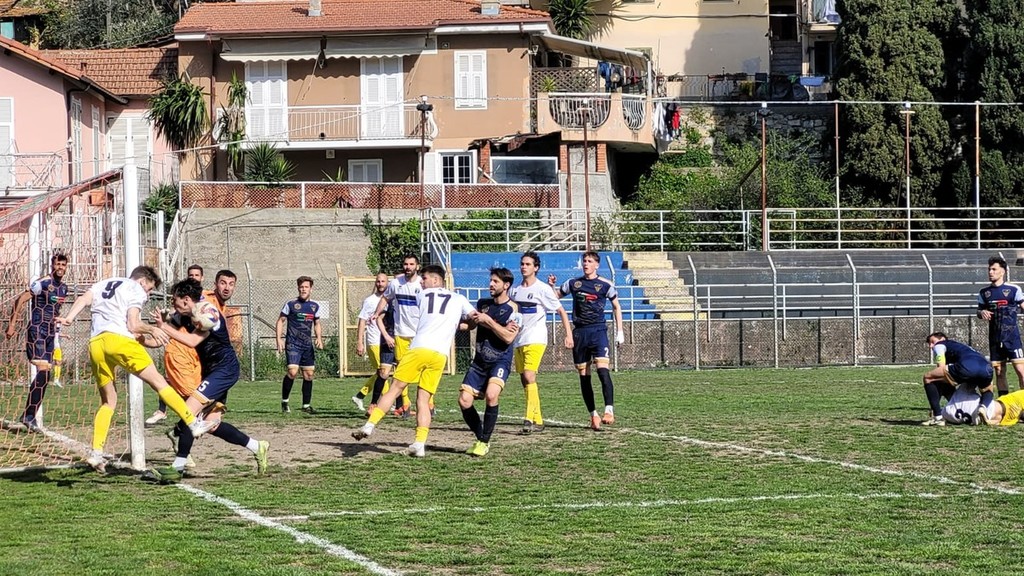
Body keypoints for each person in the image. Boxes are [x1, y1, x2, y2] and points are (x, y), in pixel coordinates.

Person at [56, 265, 216, 473]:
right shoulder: (135, 288)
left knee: (108, 402)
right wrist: (152, 329)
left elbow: (83, 299)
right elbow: (133, 325)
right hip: (120, 341)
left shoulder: (104, 283)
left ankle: (96, 452)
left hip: (96, 344)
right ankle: (192, 423)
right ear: (142, 281)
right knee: (159, 382)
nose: (147, 294)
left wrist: (69, 318)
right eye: (149, 289)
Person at [148, 279, 269, 480]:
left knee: (188, 411)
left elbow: (191, 340)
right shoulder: (183, 315)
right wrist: (142, 338)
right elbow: (161, 338)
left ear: (186, 300)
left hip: (224, 370)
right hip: (211, 372)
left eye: (175, 300)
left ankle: (177, 468)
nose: (173, 304)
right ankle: (257, 446)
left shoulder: (207, 312)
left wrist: (163, 326)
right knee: (211, 424)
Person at [352, 264, 476, 457]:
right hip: (439, 355)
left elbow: (398, 300)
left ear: (435, 280)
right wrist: (461, 324)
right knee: (423, 400)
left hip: (419, 348)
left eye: (424, 279)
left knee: (395, 388)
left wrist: (382, 308)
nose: (421, 282)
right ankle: (419, 444)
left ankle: (369, 425)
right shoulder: (459, 298)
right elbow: (473, 318)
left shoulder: (422, 295)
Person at [549, 251, 624, 431]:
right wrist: (551, 286)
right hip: (580, 333)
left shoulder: (606, 285)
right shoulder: (573, 283)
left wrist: (620, 331)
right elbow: (554, 297)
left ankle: (609, 410)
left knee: (603, 371)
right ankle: (593, 415)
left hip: (598, 331)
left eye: (589, 261)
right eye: (584, 261)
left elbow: (616, 306)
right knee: (584, 376)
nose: (586, 264)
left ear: (597, 265)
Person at [508, 251, 573, 435]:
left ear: (536, 268)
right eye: (522, 263)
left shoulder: (542, 289)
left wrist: (568, 334)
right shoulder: (514, 290)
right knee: (524, 379)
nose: (524, 267)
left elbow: (561, 311)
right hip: (519, 339)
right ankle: (538, 420)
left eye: (528, 264)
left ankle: (528, 419)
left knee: (529, 376)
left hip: (536, 338)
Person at [459, 268, 520, 457]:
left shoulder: (514, 309)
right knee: (464, 401)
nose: (491, 284)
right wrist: (456, 323)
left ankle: (484, 442)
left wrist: (490, 322)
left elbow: (508, 337)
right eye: (491, 280)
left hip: (499, 361)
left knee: (492, 395)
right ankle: (482, 437)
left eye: (495, 281)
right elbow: (471, 325)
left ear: (506, 285)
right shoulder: (482, 304)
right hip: (479, 362)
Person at [5, 252, 68, 430]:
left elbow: (55, 311)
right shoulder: (42, 283)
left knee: (46, 375)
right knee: (43, 370)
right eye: (57, 264)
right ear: (52, 265)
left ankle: (28, 416)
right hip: (37, 329)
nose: (60, 268)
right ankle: (29, 416)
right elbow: (20, 299)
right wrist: (12, 324)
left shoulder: (64, 288)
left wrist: (58, 331)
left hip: (50, 333)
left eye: (63, 265)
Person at [146, 263, 204, 426]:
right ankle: (164, 411)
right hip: (182, 354)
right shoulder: (182, 307)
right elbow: (173, 320)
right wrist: (165, 320)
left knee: (193, 391)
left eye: (197, 275)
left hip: (201, 354)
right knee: (168, 380)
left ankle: (196, 416)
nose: (194, 278)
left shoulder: (206, 303)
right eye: (191, 275)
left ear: (202, 277)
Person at [371, 255, 422, 415]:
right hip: (400, 333)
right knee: (401, 370)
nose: (408, 267)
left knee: (422, 369)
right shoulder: (395, 284)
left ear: (417, 266)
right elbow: (385, 298)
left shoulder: (422, 284)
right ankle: (403, 405)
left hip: (418, 333)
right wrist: (377, 312)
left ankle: (429, 403)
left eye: (411, 264)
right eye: (406, 264)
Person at [921, 332, 994, 426]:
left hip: (967, 367)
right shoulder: (961, 347)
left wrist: (934, 403)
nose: (931, 346)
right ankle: (983, 408)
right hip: (987, 368)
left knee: (928, 377)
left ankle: (938, 417)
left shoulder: (940, 345)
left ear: (942, 339)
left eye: (932, 342)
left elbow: (940, 367)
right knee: (987, 391)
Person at [977, 256, 1024, 396]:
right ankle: (1004, 402)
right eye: (989, 269)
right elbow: (979, 311)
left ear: (1002, 271)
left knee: (1021, 371)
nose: (990, 272)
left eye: (994, 269)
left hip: (1012, 338)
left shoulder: (1013, 289)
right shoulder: (984, 292)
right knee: (999, 371)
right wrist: (981, 312)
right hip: (995, 338)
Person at [277, 275, 324, 413]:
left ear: (311, 289)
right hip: (293, 343)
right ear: (298, 288)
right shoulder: (291, 304)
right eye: (301, 287)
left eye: (306, 287)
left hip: (307, 345)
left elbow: (317, 323)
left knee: (309, 375)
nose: (303, 289)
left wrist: (319, 338)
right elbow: (280, 321)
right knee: (292, 372)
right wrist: (278, 339)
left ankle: (306, 406)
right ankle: (285, 402)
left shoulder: (315, 306)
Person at [352, 272, 389, 412]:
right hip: (374, 341)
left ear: (387, 283)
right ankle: (387, 401)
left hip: (387, 340)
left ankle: (360, 395)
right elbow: (362, 321)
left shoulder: (391, 299)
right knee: (383, 372)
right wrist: (359, 342)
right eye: (378, 281)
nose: (380, 284)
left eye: (383, 281)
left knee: (383, 372)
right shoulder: (370, 301)